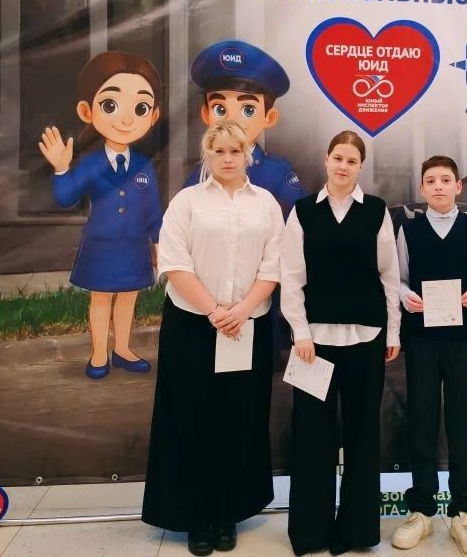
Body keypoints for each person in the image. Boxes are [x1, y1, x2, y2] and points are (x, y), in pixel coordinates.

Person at [142, 121, 283, 556]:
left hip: (246, 325)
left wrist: (240, 310)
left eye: (235, 151)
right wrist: (214, 310)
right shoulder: (187, 202)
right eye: (219, 151)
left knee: (239, 419)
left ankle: (227, 514)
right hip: (192, 324)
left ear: (247, 155)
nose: (227, 158)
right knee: (190, 419)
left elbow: (273, 266)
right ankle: (195, 517)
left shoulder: (266, 204)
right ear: (208, 154)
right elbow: (173, 262)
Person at [280, 130, 401, 556]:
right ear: (326, 160)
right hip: (313, 345)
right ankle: (310, 533)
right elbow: (291, 278)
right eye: (338, 158)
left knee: (363, 435)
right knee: (312, 436)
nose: (343, 166)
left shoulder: (376, 212)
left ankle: (356, 532)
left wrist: (392, 331)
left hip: (367, 340)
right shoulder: (302, 213)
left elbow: (389, 276)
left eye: (352, 160)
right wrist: (301, 332)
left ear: (360, 166)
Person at [390, 156, 467, 557]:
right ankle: (421, 509)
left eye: (445, 179)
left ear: (458, 186)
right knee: (421, 421)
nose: (438, 186)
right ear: (422, 188)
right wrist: (407, 297)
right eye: (430, 180)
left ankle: (461, 512)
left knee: (462, 424)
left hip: (463, 342)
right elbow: (398, 280)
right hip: (421, 341)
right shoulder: (409, 231)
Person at [38, 51, 164, 380]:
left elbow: (152, 209)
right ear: (87, 111)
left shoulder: (143, 166)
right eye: (110, 105)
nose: (126, 119)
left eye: (140, 108)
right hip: (101, 245)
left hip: (134, 246)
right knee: (101, 298)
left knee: (128, 298)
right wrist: (62, 169)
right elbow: (66, 198)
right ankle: (98, 354)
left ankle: (122, 349)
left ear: (153, 116)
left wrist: (158, 242)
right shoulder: (91, 164)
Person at [183, 39, 305, 217]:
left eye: (248, 110)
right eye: (220, 109)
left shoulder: (276, 172)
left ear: (269, 118)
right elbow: (182, 219)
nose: (231, 120)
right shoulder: (202, 173)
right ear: (206, 114)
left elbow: (300, 220)